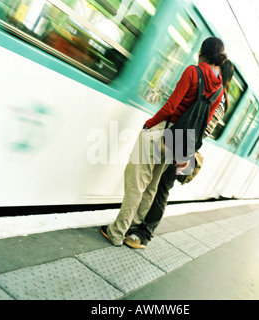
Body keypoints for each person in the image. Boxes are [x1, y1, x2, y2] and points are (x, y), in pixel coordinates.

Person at [100, 37, 227, 247]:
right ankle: (133, 229)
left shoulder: (193, 71)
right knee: (151, 187)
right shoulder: (219, 90)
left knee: (136, 183)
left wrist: (149, 124)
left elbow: (170, 107)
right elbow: (203, 126)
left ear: (201, 51)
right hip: (178, 141)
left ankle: (116, 232)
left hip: (163, 130)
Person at [124, 59, 235, 249]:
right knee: (155, 185)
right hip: (182, 140)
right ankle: (134, 227)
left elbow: (203, 128)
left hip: (183, 142)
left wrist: (185, 151)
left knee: (161, 189)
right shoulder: (216, 92)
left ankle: (144, 234)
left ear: (220, 72)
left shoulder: (219, 97)